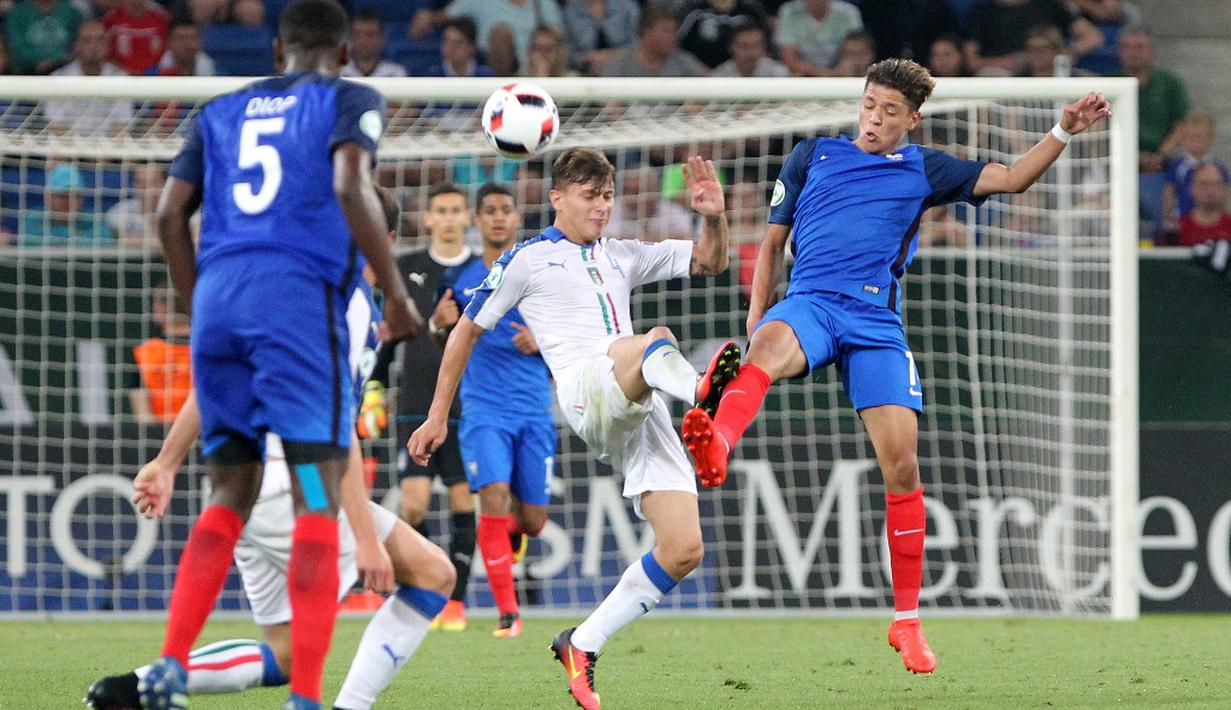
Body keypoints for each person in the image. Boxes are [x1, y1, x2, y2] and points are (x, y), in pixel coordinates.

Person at [681, 58, 1110, 675]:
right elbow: (773, 244)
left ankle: (906, 622)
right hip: (812, 302)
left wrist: (1063, 130)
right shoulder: (811, 156)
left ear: (912, 118)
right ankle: (716, 442)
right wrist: (755, 322)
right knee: (767, 353)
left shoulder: (925, 168)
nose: (875, 118)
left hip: (875, 322)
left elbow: (1014, 179)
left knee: (902, 465)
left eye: (889, 110)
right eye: (869, 104)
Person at [138, 1, 421, 709]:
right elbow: (350, 184)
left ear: (276, 51)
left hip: (219, 300)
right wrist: (395, 294)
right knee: (314, 499)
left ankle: (173, 662)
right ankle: (305, 697)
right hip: (295, 305)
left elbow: (170, 214)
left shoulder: (219, 110)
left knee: (226, 493)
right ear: (344, 53)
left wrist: (199, 302)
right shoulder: (349, 98)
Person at [87, 187, 453, 710]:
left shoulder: (283, 288)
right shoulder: (346, 304)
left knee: (281, 655)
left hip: (244, 487)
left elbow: (218, 382)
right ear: (385, 241)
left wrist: (166, 461)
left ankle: (139, 685)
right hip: (299, 481)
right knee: (433, 575)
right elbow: (334, 432)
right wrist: (366, 541)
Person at [408, 149, 733, 710]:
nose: (602, 207)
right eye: (589, 195)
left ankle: (581, 644)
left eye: (607, 196)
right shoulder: (527, 260)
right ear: (557, 198)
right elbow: (463, 332)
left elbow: (710, 260)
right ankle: (703, 393)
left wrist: (714, 217)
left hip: (639, 400)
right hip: (588, 389)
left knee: (684, 549)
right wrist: (437, 415)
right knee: (654, 337)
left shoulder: (623, 253)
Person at [431, 183, 555, 639]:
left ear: (517, 219)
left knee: (533, 521)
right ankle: (509, 613)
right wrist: (437, 326)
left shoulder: (541, 273)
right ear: (477, 221)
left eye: (506, 210)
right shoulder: (460, 280)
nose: (498, 218)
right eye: (489, 211)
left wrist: (541, 344)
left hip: (534, 410)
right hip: (484, 410)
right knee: (493, 495)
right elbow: (442, 339)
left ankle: (513, 536)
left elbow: (569, 333)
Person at [366, 182, 477, 632]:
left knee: (464, 501)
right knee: (411, 506)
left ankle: (454, 603)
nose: (449, 218)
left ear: (465, 217)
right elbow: (391, 341)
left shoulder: (482, 269)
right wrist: (373, 388)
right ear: (428, 219)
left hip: (469, 404)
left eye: (455, 210)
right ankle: (422, 587)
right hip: (415, 403)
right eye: (440, 211)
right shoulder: (406, 267)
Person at [1118, 27, 1189, 238]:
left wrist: (1160, 155)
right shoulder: (1108, 82)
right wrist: (1130, 156)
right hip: (1118, 162)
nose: (1134, 52)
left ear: (1152, 51)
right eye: (1127, 47)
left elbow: (1181, 125)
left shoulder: (1170, 84)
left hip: (1160, 165)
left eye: (1140, 47)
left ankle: (1162, 239)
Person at [412, 0, 564, 76]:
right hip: (493, 65)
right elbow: (442, 15)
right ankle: (502, 87)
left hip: (533, 63)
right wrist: (426, 18)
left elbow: (556, 37)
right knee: (501, 33)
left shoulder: (543, 3)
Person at [44, 20, 135, 136]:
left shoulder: (120, 79)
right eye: (87, 40)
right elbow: (57, 126)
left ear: (107, 45)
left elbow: (122, 125)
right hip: (69, 149)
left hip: (108, 150)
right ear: (77, 45)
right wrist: (80, 152)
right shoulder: (58, 78)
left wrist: (101, 153)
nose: (94, 46)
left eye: (100, 40)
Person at [963, 0, 1099, 76]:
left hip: (1055, 72)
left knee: (1092, 83)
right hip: (1005, 76)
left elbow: (1093, 37)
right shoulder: (982, 13)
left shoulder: (1050, 5)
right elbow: (971, 62)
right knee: (990, 77)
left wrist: (1065, 53)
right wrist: (1008, 62)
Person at [127, 283, 192, 424]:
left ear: (164, 307)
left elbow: (142, 414)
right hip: (205, 437)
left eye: (156, 302)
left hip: (160, 438)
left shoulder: (145, 352)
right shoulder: (208, 347)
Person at [20, 163, 116, 246]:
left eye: (75, 195)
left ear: (82, 197)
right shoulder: (33, 218)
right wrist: (77, 237)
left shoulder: (94, 218)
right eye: (63, 195)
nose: (69, 201)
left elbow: (105, 236)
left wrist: (61, 238)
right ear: (49, 197)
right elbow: (32, 240)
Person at [600, 5, 706, 78]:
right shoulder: (621, 63)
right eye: (666, 31)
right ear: (646, 32)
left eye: (674, 31)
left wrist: (697, 102)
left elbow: (707, 83)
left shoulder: (683, 61)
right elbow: (604, 96)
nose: (673, 37)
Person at [774, 0, 863, 77]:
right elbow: (789, 58)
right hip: (802, 76)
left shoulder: (848, 13)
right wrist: (822, 74)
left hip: (842, 74)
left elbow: (858, 49)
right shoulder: (789, 11)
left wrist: (837, 73)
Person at [606, 165, 695, 241]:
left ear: (654, 190)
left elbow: (687, 237)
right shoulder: (611, 209)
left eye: (637, 191)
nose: (631, 196)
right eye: (627, 190)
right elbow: (606, 240)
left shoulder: (672, 210)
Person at [676, 0, 769, 70]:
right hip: (698, 75)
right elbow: (678, 47)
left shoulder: (751, 10)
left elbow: (767, 45)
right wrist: (697, 70)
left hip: (745, 72)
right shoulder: (694, 10)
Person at [856, 0, 958, 63]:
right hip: (883, 68)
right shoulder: (876, 6)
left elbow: (949, 39)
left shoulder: (940, 10)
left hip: (929, 70)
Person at [562, 0, 640, 76]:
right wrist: (587, 58)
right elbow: (566, 51)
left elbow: (637, 44)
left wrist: (611, 56)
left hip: (624, 69)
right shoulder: (571, 12)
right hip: (584, 72)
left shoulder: (627, 7)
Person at [5, 0, 83, 74]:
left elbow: (82, 44)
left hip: (67, 70)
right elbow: (17, 49)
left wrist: (56, 61)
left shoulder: (72, 12)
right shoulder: (17, 13)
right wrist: (39, 61)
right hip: (27, 73)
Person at [103, 0, 172, 75]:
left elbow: (167, 47)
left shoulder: (161, 19)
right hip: (119, 72)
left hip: (155, 72)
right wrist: (125, 70)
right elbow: (106, 50)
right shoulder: (111, 19)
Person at [107, 163, 165, 247]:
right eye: (140, 182)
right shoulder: (121, 210)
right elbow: (122, 238)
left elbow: (190, 236)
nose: (145, 188)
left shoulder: (180, 210)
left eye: (152, 182)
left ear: (164, 184)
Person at [1176, 163, 1231, 247]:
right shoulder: (1178, 229)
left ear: (1224, 188)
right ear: (1192, 189)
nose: (1211, 190)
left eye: (1216, 184)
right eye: (1204, 184)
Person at [341, 10, 408, 78]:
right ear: (349, 38)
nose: (363, 41)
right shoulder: (339, 72)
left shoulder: (395, 73)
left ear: (382, 38)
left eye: (370, 35)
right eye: (357, 35)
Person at [710, 20, 787, 78]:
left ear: (764, 47)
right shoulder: (719, 77)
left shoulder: (778, 72)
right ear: (731, 47)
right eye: (744, 46)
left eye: (756, 45)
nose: (751, 51)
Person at [423, 17, 493, 77]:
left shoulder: (486, 76)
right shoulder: (432, 76)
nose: (450, 47)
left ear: (471, 47)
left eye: (458, 43)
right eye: (447, 41)